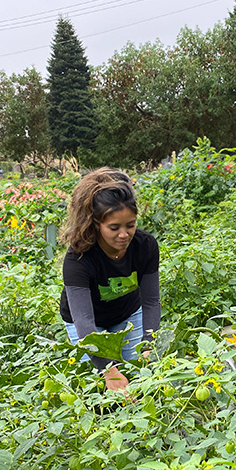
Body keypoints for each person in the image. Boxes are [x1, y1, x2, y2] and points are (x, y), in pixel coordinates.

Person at [59, 168, 160, 392]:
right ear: (97, 225)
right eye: (114, 228)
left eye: (130, 225)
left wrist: (148, 344)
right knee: (99, 389)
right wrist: (109, 370)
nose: (124, 234)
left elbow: (151, 301)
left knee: (140, 380)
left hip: (127, 313)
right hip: (87, 323)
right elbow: (84, 321)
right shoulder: (79, 258)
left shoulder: (145, 246)